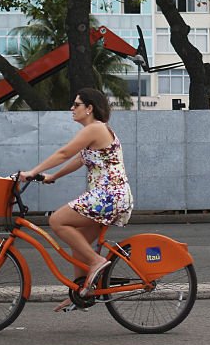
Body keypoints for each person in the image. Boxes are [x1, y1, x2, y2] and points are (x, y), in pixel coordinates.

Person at [16, 87, 133, 310]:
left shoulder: (94, 129)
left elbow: (64, 153)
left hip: (108, 195)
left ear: (89, 108)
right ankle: (81, 292)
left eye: (76, 104)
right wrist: (53, 176)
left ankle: (97, 262)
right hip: (112, 196)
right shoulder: (97, 132)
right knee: (78, 242)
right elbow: (80, 159)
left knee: (57, 221)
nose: (72, 108)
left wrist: (32, 171)